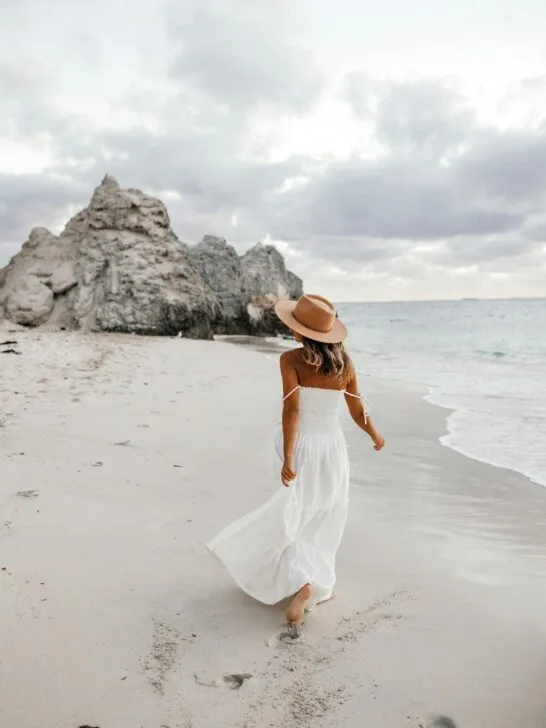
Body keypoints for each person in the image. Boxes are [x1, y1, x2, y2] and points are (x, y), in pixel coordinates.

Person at [207, 294, 385, 626]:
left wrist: (288, 456)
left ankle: (300, 581)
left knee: (294, 511)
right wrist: (374, 435)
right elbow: (357, 409)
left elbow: (292, 410)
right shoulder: (345, 363)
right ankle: (313, 581)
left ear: (301, 333)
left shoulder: (290, 359)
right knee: (326, 512)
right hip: (332, 449)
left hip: (302, 444)